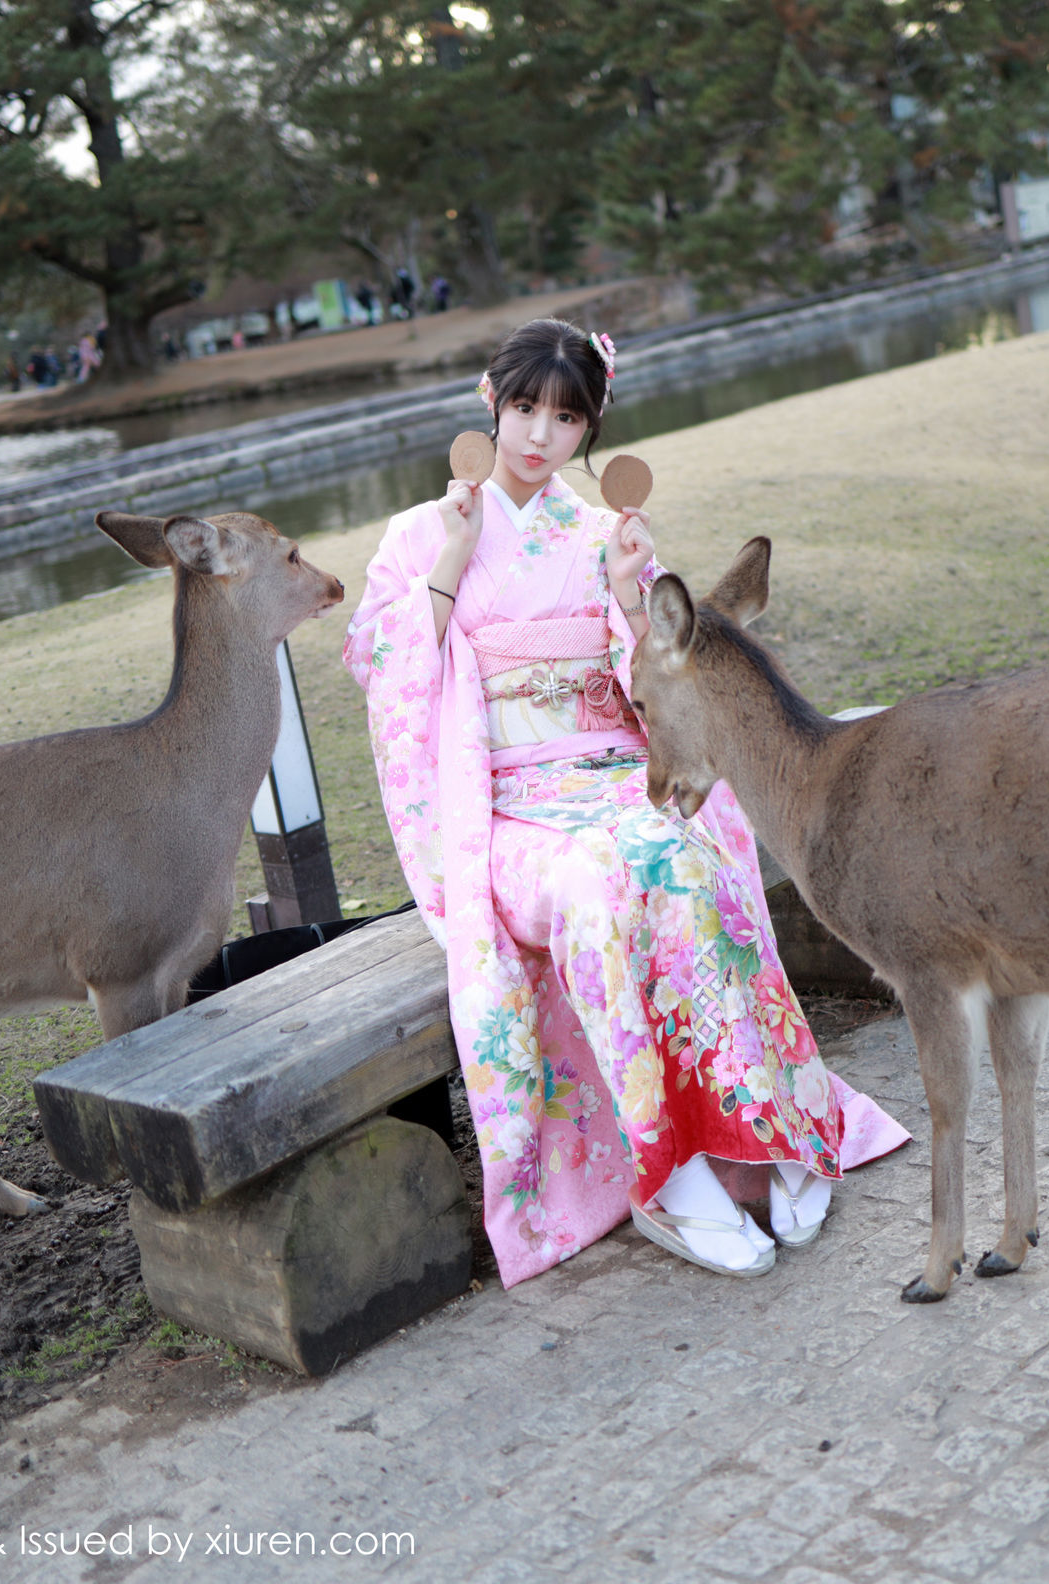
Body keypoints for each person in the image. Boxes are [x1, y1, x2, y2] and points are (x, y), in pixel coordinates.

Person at [343, 320, 908, 1286]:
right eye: (523, 409)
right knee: (601, 888)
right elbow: (382, 673)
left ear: (588, 430)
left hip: (611, 772)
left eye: (564, 418)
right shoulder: (420, 534)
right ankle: (669, 1168)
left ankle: (757, 1132)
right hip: (510, 808)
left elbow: (661, 683)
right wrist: (452, 558)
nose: (537, 437)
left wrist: (622, 594)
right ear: (490, 400)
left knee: (686, 864)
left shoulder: (602, 534)